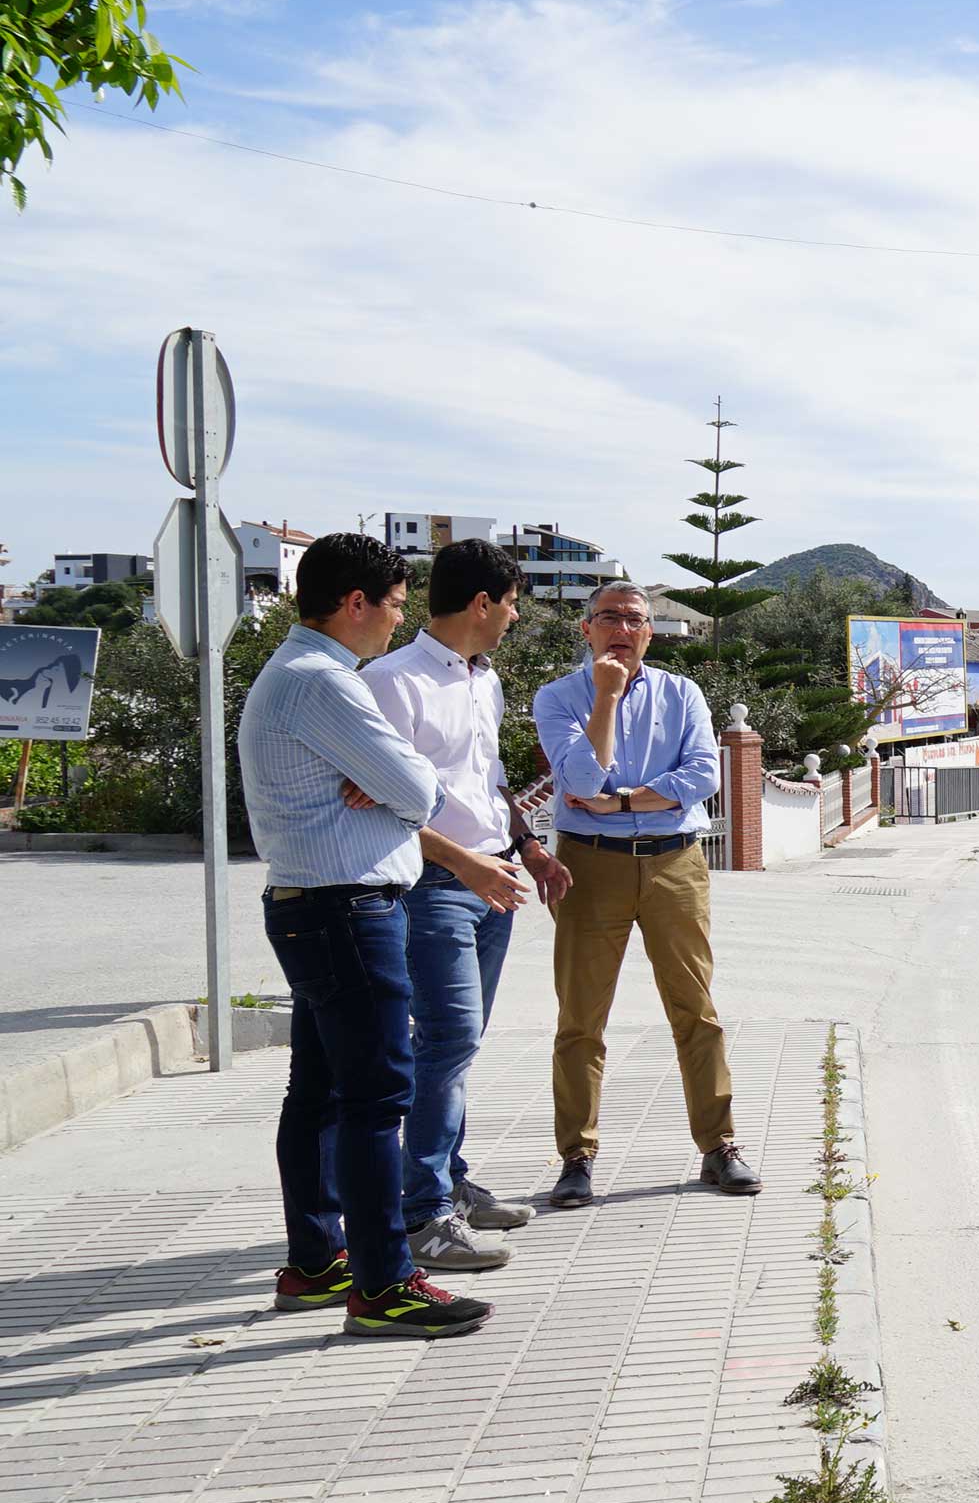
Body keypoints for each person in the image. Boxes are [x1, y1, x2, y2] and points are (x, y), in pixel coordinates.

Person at [235, 532, 492, 1341]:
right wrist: (394, 782)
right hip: (349, 910)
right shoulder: (324, 682)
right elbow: (422, 789)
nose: (396, 621)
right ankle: (384, 1285)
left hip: (316, 904)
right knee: (378, 1099)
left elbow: (400, 786)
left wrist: (383, 782)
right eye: (392, 606)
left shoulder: (294, 672)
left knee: (319, 1095)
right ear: (355, 603)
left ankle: (316, 1263)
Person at [361, 536, 572, 1272]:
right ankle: (422, 1214)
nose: (514, 617)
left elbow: (487, 780)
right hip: (434, 886)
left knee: (459, 1042)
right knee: (446, 1040)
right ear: (482, 603)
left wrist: (527, 846)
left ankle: (449, 1181)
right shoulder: (391, 681)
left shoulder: (485, 681)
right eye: (511, 604)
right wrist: (468, 865)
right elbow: (380, 802)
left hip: (493, 880)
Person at [532, 581, 760, 1207]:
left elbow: (704, 775)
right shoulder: (558, 697)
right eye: (609, 617)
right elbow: (582, 781)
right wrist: (606, 697)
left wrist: (627, 800)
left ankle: (720, 1146)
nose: (622, 629)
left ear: (650, 633)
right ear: (586, 629)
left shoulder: (681, 693)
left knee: (696, 1010)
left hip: (674, 862)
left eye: (635, 619)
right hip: (589, 865)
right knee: (581, 1019)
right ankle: (576, 1157)